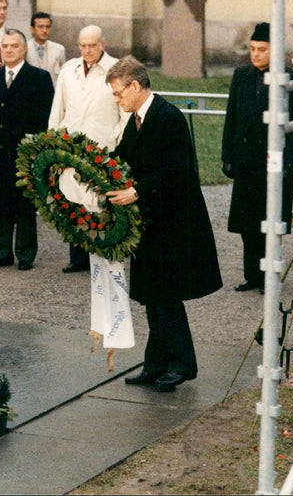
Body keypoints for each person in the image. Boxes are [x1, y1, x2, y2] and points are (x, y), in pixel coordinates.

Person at [105, 56, 221, 391]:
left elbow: (176, 170)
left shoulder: (167, 117)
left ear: (135, 86)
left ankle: (182, 365)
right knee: (152, 295)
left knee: (165, 295)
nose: (117, 99)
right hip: (151, 222)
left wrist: (136, 192)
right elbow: (124, 157)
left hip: (173, 222)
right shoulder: (138, 119)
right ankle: (156, 363)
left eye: (118, 93)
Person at [221, 22, 293, 293]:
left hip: (274, 161)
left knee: (270, 221)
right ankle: (252, 275)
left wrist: (290, 161)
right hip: (246, 159)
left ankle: (270, 276)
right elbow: (231, 117)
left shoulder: (290, 77)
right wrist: (228, 155)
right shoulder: (241, 75)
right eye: (253, 49)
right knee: (248, 223)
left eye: (262, 49)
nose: (256, 54)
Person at [48, 25, 126, 273]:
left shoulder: (117, 70)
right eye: (83, 45)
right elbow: (57, 109)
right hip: (70, 149)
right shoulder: (69, 70)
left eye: (92, 45)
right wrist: (53, 142)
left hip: (102, 148)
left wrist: (116, 143)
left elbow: (124, 114)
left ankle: (102, 254)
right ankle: (77, 257)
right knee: (72, 200)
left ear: (103, 44)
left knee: (99, 202)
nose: (87, 50)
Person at [0, 29, 53, 271]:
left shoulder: (38, 78)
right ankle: (1, 252)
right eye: (6, 46)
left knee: (24, 206)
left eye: (14, 46)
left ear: (24, 49)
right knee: (1, 205)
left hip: (25, 153)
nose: (9, 50)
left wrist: (40, 153)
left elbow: (45, 118)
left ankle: (25, 253)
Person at [26, 12, 66, 87]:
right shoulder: (25, 48)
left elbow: (62, 75)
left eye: (47, 27)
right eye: (40, 27)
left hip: (52, 93)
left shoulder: (59, 49)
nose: (44, 30)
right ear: (32, 29)